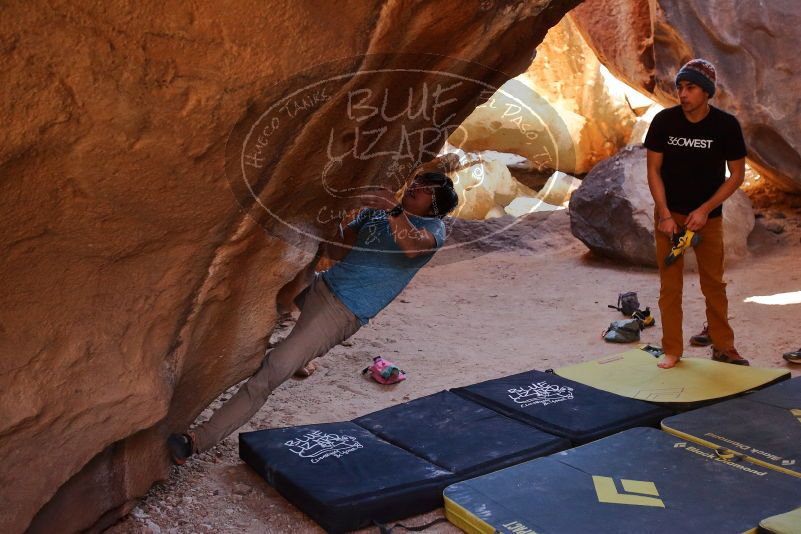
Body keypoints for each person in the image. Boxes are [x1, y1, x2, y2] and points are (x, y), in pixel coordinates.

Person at [168, 169, 459, 463]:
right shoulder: (377, 215)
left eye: (426, 189)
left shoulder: (433, 230)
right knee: (266, 287)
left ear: (435, 205)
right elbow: (337, 251)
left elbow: (411, 248)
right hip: (322, 284)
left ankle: (195, 441)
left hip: (343, 311)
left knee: (271, 372)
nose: (417, 187)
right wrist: (333, 218)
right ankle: (303, 357)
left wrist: (392, 207)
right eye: (419, 181)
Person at [644, 58, 749, 369]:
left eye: (690, 87)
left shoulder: (726, 126)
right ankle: (672, 349)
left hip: (707, 221)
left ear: (706, 91)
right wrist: (664, 214)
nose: (682, 93)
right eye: (680, 87)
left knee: (713, 284)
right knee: (670, 286)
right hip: (669, 218)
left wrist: (705, 209)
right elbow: (653, 170)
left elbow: (737, 175)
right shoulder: (664, 122)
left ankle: (724, 347)